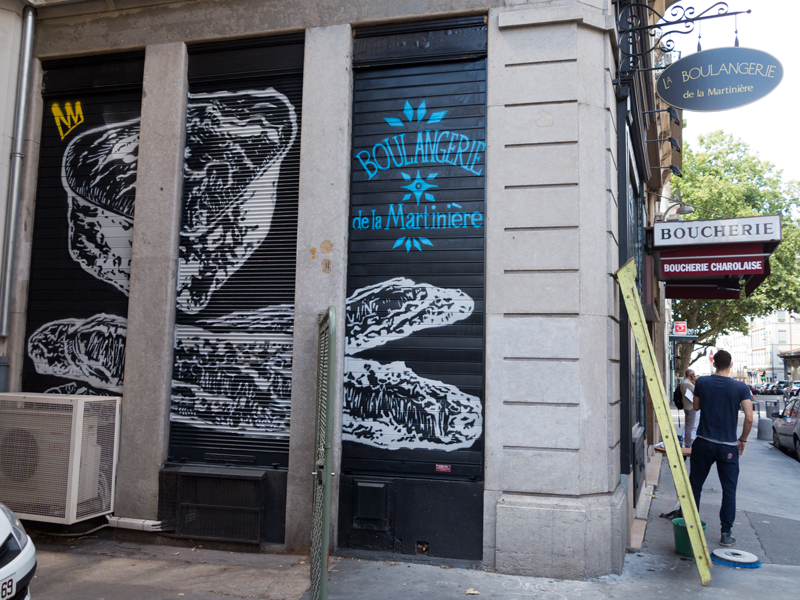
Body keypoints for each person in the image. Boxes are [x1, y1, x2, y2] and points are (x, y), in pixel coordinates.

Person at [689, 350, 754, 547]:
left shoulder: (702, 382)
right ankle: (726, 533)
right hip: (727, 445)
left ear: (714, 363)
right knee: (729, 490)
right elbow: (750, 418)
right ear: (731, 364)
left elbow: (696, 407)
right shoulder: (741, 387)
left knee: (695, 486)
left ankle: (691, 528)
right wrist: (742, 439)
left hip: (704, 442)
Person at [681, 369, 699, 447]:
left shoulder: (684, 382)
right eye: (694, 375)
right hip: (690, 407)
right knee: (689, 427)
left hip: (687, 406)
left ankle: (688, 443)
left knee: (688, 426)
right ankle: (688, 444)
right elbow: (697, 391)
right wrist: (696, 381)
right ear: (691, 375)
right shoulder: (687, 384)